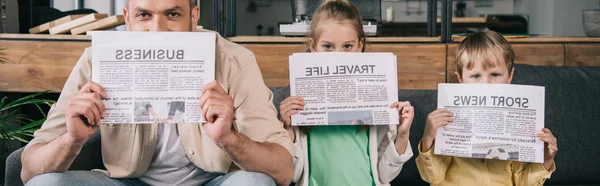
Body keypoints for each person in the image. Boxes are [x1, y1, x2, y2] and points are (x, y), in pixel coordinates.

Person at [20, 0, 293, 185]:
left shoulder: (235, 61)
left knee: (254, 181)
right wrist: (71, 139)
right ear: (127, 19)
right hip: (126, 181)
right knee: (46, 182)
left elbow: (283, 169)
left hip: (213, 180)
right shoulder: (96, 60)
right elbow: (28, 171)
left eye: (172, 14)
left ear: (194, 16)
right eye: (144, 15)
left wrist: (229, 138)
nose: (158, 29)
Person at [278, 1, 414, 185]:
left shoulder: (378, 100)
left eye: (347, 46)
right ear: (313, 47)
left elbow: (385, 174)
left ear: (360, 45)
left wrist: (403, 134)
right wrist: (288, 129)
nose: (338, 56)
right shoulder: (299, 106)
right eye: (328, 47)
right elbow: (293, 174)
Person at [416, 30, 558, 186]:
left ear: (509, 76)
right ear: (461, 79)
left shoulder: (519, 123)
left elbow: (523, 182)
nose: (486, 84)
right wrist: (428, 138)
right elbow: (433, 177)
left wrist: (545, 159)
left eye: (495, 74)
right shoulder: (448, 118)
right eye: (476, 76)